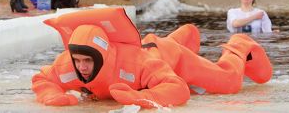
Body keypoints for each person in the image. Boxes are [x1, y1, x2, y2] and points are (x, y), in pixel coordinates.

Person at [31, 7, 272, 107]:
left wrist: (140, 97)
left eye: (88, 61)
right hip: (150, 47)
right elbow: (42, 80)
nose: (82, 67)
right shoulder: (69, 64)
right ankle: (186, 35)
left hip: (168, 58)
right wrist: (51, 95)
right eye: (79, 61)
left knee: (229, 83)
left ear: (102, 57)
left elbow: (178, 90)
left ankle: (239, 46)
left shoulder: (134, 65)